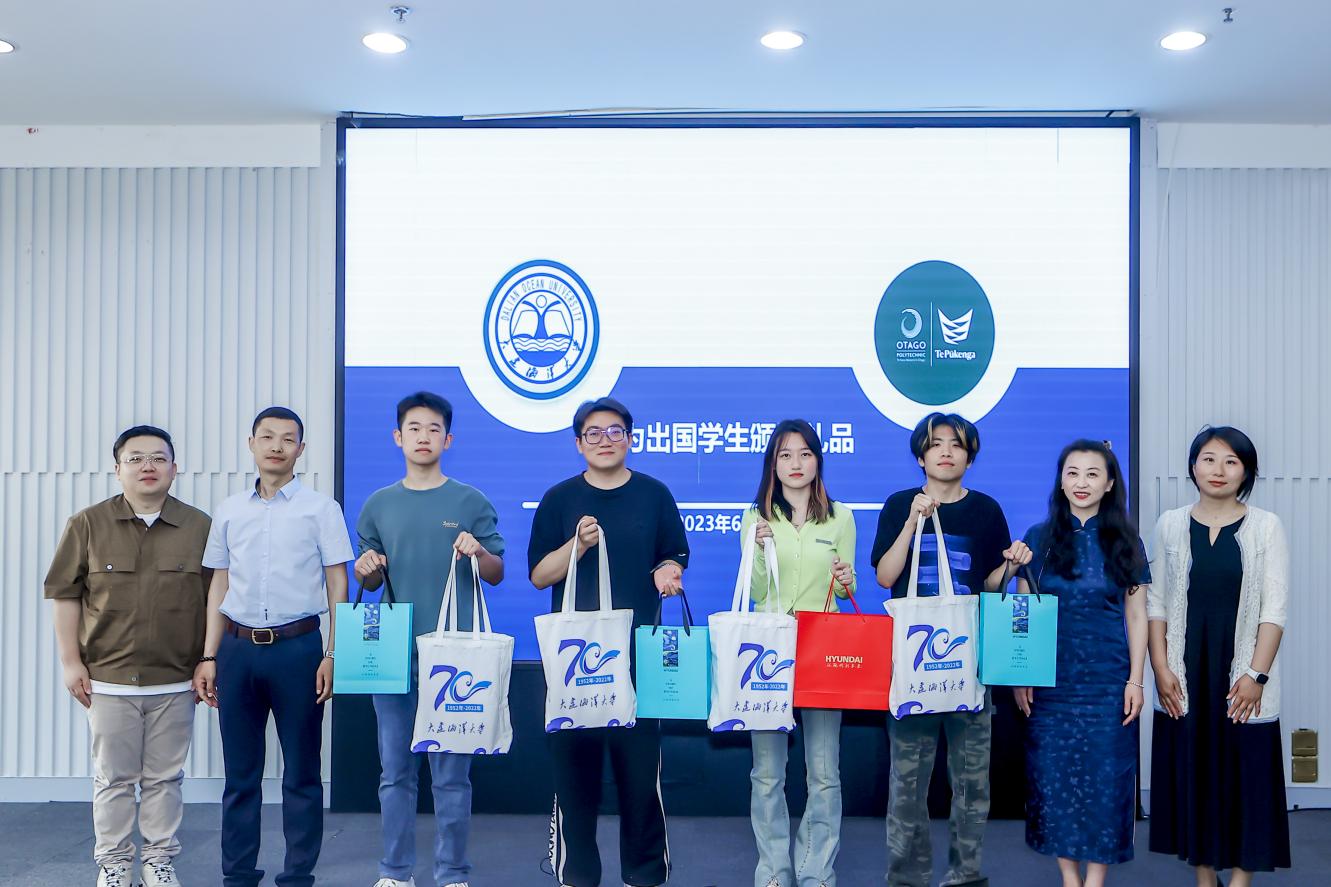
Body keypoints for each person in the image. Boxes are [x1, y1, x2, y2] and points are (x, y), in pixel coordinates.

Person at [528, 397, 689, 887]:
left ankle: (644, 875)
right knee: (574, 781)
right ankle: (577, 875)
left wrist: (669, 570)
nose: (605, 440)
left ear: (630, 439)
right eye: (593, 433)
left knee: (640, 783)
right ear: (579, 444)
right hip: (575, 663)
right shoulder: (559, 499)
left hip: (638, 661)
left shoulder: (655, 495)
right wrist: (576, 546)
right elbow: (539, 575)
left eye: (615, 431)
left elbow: (674, 554)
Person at [45, 425, 213, 887]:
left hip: (176, 679)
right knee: (113, 778)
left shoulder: (199, 527)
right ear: (118, 469)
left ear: (175, 468)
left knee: (165, 777)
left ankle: (159, 861)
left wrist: (207, 659)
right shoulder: (87, 524)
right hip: (108, 679)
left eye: (158, 458)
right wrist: (70, 662)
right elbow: (65, 596)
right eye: (135, 458)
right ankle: (115, 864)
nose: (147, 466)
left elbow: (215, 598)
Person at [193, 407, 354, 887]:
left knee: (302, 770)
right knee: (240, 773)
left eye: (287, 438)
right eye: (267, 437)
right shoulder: (229, 510)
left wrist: (333, 653)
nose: (276, 446)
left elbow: (337, 584)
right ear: (252, 444)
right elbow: (219, 585)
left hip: (298, 649)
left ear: (301, 449)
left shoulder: (321, 509)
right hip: (237, 650)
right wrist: (209, 655)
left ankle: (298, 874)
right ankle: (239, 874)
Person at [353, 391, 505, 887]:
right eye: (414, 428)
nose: (424, 437)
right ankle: (395, 872)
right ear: (398, 437)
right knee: (395, 774)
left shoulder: (470, 501)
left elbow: (497, 572)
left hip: (455, 658)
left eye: (434, 429)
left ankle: (452, 873)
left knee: (452, 777)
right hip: (393, 657)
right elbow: (369, 581)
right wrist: (366, 567)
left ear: (448, 439)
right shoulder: (378, 505)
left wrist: (479, 551)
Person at [870, 412, 1029, 887]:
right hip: (912, 664)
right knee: (907, 785)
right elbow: (885, 575)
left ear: (969, 457)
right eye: (936, 444)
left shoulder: (986, 510)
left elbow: (989, 586)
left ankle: (966, 874)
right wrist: (912, 522)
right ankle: (907, 878)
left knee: (972, 783)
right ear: (921, 456)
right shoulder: (899, 503)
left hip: (969, 661)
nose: (946, 452)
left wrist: (1012, 565)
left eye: (956, 445)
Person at [1148, 426, 1291, 886]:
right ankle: (1205, 876)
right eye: (1209, 459)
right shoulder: (1170, 524)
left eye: (1231, 461)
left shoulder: (1266, 526)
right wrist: (1160, 668)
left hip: (1242, 675)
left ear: (1246, 471)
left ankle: (1242, 879)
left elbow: (1274, 609)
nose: (1219, 470)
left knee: (1247, 777)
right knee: (1196, 774)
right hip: (1186, 672)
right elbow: (1156, 603)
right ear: (1193, 466)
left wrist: (1256, 675)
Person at [1012, 440, 1150, 887]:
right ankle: (1070, 879)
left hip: (1107, 683)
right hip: (1051, 683)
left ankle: (1095, 881)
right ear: (1060, 481)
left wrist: (1136, 680)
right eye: (1072, 473)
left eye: (1093, 474)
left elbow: (1137, 615)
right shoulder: (1039, 538)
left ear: (1109, 484)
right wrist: (1021, 675)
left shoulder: (1126, 541)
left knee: (1106, 784)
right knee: (1054, 783)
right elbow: (1022, 610)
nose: (1081, 483)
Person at [740, 419, 856, 887]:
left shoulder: (841, 517)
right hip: (767, 651)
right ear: (773, 463)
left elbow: (846, 592)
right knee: (767, 773)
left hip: (822, 650)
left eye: (805, 453)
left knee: (824, 772)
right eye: (785, 454)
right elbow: (756, 591)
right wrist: (759, 550)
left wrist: (846, 581)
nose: (795, 463)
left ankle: (816, 871)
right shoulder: (755, 518)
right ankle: (773, 870)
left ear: (817, 460)